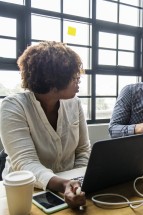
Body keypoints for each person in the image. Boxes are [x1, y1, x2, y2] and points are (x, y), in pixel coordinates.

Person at [0, 41, 90, 208]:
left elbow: (83, 150)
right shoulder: (13, 106)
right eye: (74, 77)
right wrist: (63, 184)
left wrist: (76, 182)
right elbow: (25, 163)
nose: (78, 81)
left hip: (71, 189)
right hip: (24, 195)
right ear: (53, 81)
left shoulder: (74, 103)